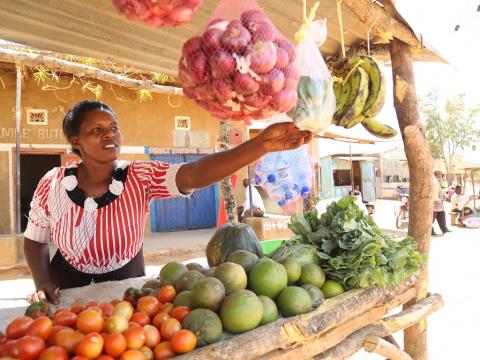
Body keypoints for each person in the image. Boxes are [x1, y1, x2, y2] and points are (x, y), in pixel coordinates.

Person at [24, 100, 313, 303]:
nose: (110, 135)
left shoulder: (139, 176)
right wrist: (42, 283)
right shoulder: (53, 182)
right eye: (96, 130)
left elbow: (194, 174)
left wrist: (260, 144)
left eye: (113, 128)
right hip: (66, 285)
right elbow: (35, 239)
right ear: (76, 140)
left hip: (128, 281)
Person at [432, 169, 451, 235]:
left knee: (442, 215)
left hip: (439, 202)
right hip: (434, 202)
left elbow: (441, 190)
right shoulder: (434, 181)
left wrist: (445, 195)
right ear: (436, 174)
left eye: (441, 174)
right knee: (432, 218)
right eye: (439, 174)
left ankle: (444, 229)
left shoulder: (438, 181)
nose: (441, 176)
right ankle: (431, 231)